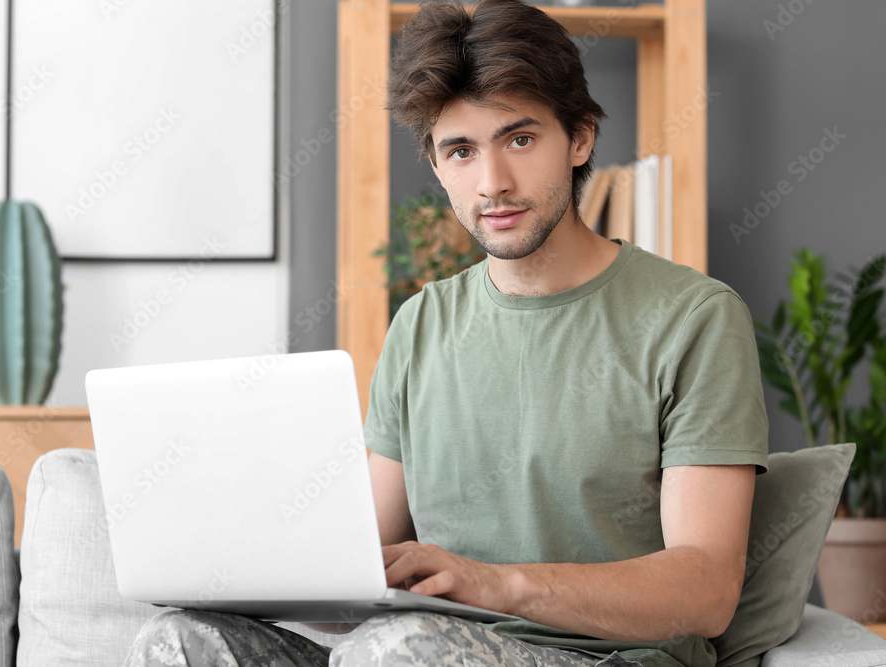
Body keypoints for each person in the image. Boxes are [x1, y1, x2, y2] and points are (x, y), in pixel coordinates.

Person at [123, 0, 768, 665]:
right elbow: (356, 565)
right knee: (176, 638)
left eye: (520, 139)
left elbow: (707, 586)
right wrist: (223, 557)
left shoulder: (695, 318)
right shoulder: (420, 324)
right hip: (408, 647)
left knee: (401, 646)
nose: (493, 183)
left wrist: (498, 583)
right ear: (436, 165)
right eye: (461, 150)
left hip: (597, 659)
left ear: (580, 138)